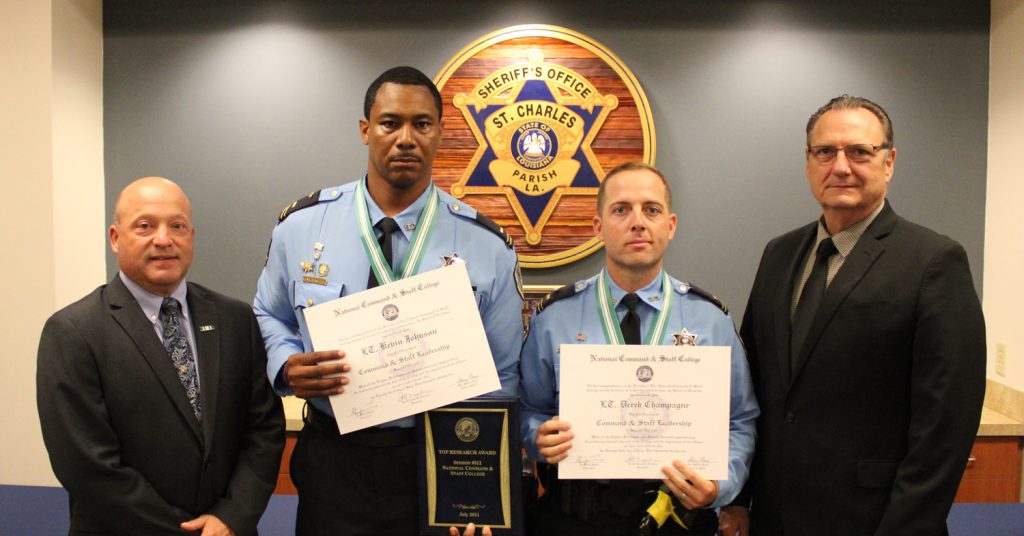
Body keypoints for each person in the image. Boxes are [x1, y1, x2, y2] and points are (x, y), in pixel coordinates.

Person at [254, 66, 523, 535]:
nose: (405, 138)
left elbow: (504, 374)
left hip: (441, 459)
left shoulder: (488, 244)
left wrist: (479, 484)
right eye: (389, 123)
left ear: (440, 133)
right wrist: (286, 365)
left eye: (422, 124)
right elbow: (268, 313)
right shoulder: (300, 228)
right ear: (365, 130)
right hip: (333, 459)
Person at [719, 95, 986, 536]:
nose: (840, 166)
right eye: (825, 152)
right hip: (774, 518)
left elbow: (945, 425)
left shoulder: (933, 261)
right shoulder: (779, 254)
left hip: (874, 521)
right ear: (808, 162)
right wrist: (739, 498)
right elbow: (752, 387)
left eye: (859, 152)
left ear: (889, 162)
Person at [519, 162, 760, 536]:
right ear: (598, 228)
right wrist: (536, 437)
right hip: (577, 518)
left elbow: (741, 420)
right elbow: (528, 409)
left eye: (651, 209)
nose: (637, 222)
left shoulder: (710, 320)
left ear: (671, 225)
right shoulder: (554, 318)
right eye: (621, 209)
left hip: (678, 516)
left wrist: (721, 486)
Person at [37, 177, 285, 536]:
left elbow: (263, 429)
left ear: (192, 236)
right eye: (145, 226)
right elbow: (86, 465)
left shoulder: (235, 319)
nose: (164, 239)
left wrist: (232, 516)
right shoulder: (74, 332)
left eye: (177, 226)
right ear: (115, 237)